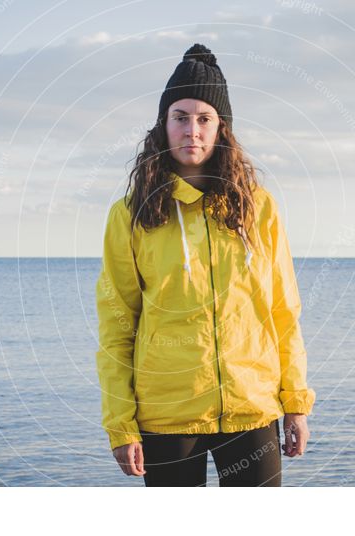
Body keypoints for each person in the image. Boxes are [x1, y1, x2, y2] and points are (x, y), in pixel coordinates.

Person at [95, 43, 316, 487]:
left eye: (204, 118)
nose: (191, 130)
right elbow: (118, 324)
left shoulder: (259, 208)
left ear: (221, 128)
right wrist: (120, 423)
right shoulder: (131, 213)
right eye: (180, 117)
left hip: (251, 407)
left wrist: (295, 402)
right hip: (166, 415)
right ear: (164, 125)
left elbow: (282, 311)